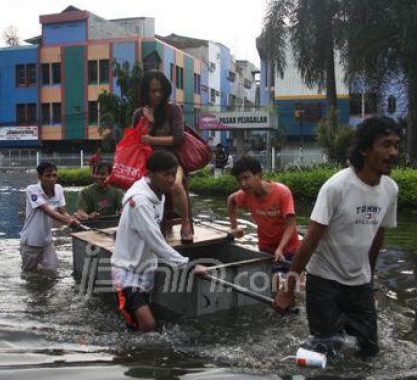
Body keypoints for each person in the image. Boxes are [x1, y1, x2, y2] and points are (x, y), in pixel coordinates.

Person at [273, 116, 401, 357]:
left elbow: (377, 239)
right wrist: (288, 289)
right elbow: (309, 241)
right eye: (386, 145)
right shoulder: (337, 187)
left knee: (369, 351)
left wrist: (370, 283)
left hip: (359, 284)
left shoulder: (390, 189)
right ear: (364, 149)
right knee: (327, 351)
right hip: (324, 282)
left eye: (396, 145)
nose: (393, 152)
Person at [111, 150, 207, 331]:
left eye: (173, 174)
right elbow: (155, 241)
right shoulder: (140, 201)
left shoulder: (159, 194)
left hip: (146, 269)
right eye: (165, 174)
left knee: (136, 327)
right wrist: (188, 266)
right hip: (127, 272)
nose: (171, 179)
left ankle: (134, 357)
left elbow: (155, 236)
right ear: (150, 173)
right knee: (148, 325)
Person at [133, 70, 193, 243]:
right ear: (146, 91)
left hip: (172, 162)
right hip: (147, 163)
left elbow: (179, 138)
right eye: (153, 90)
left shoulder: (173, 109)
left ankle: (185, 222)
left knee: (174, 185)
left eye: (160, 90)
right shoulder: (139, 114)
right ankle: (141, 225)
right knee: (134, 188)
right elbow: (135, 140)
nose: (157, 94)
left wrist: (151, 139)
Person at [227, 156, 300, 281]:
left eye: (246, 178)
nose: (243, 184)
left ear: (258, 175)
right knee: (271, 287)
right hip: (265, 249)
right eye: (239, 180)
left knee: (293, 288)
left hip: (289, 249)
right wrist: (234, 228)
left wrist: (280, 249)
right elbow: (231, 200)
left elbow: (290, 225)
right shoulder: (245, 195)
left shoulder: (282, 192)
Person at [19, 161, 79, 274]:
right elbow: (47, 211)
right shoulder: (32, 190)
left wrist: (74, 220)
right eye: (48, 176)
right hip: (31, 242)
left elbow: (63, 212)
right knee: (28, 275)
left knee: (53, 273)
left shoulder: (59, 189)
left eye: (54, 175)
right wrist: (70, 222)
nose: (52, 179)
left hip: (47, 242)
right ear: (40, 177)